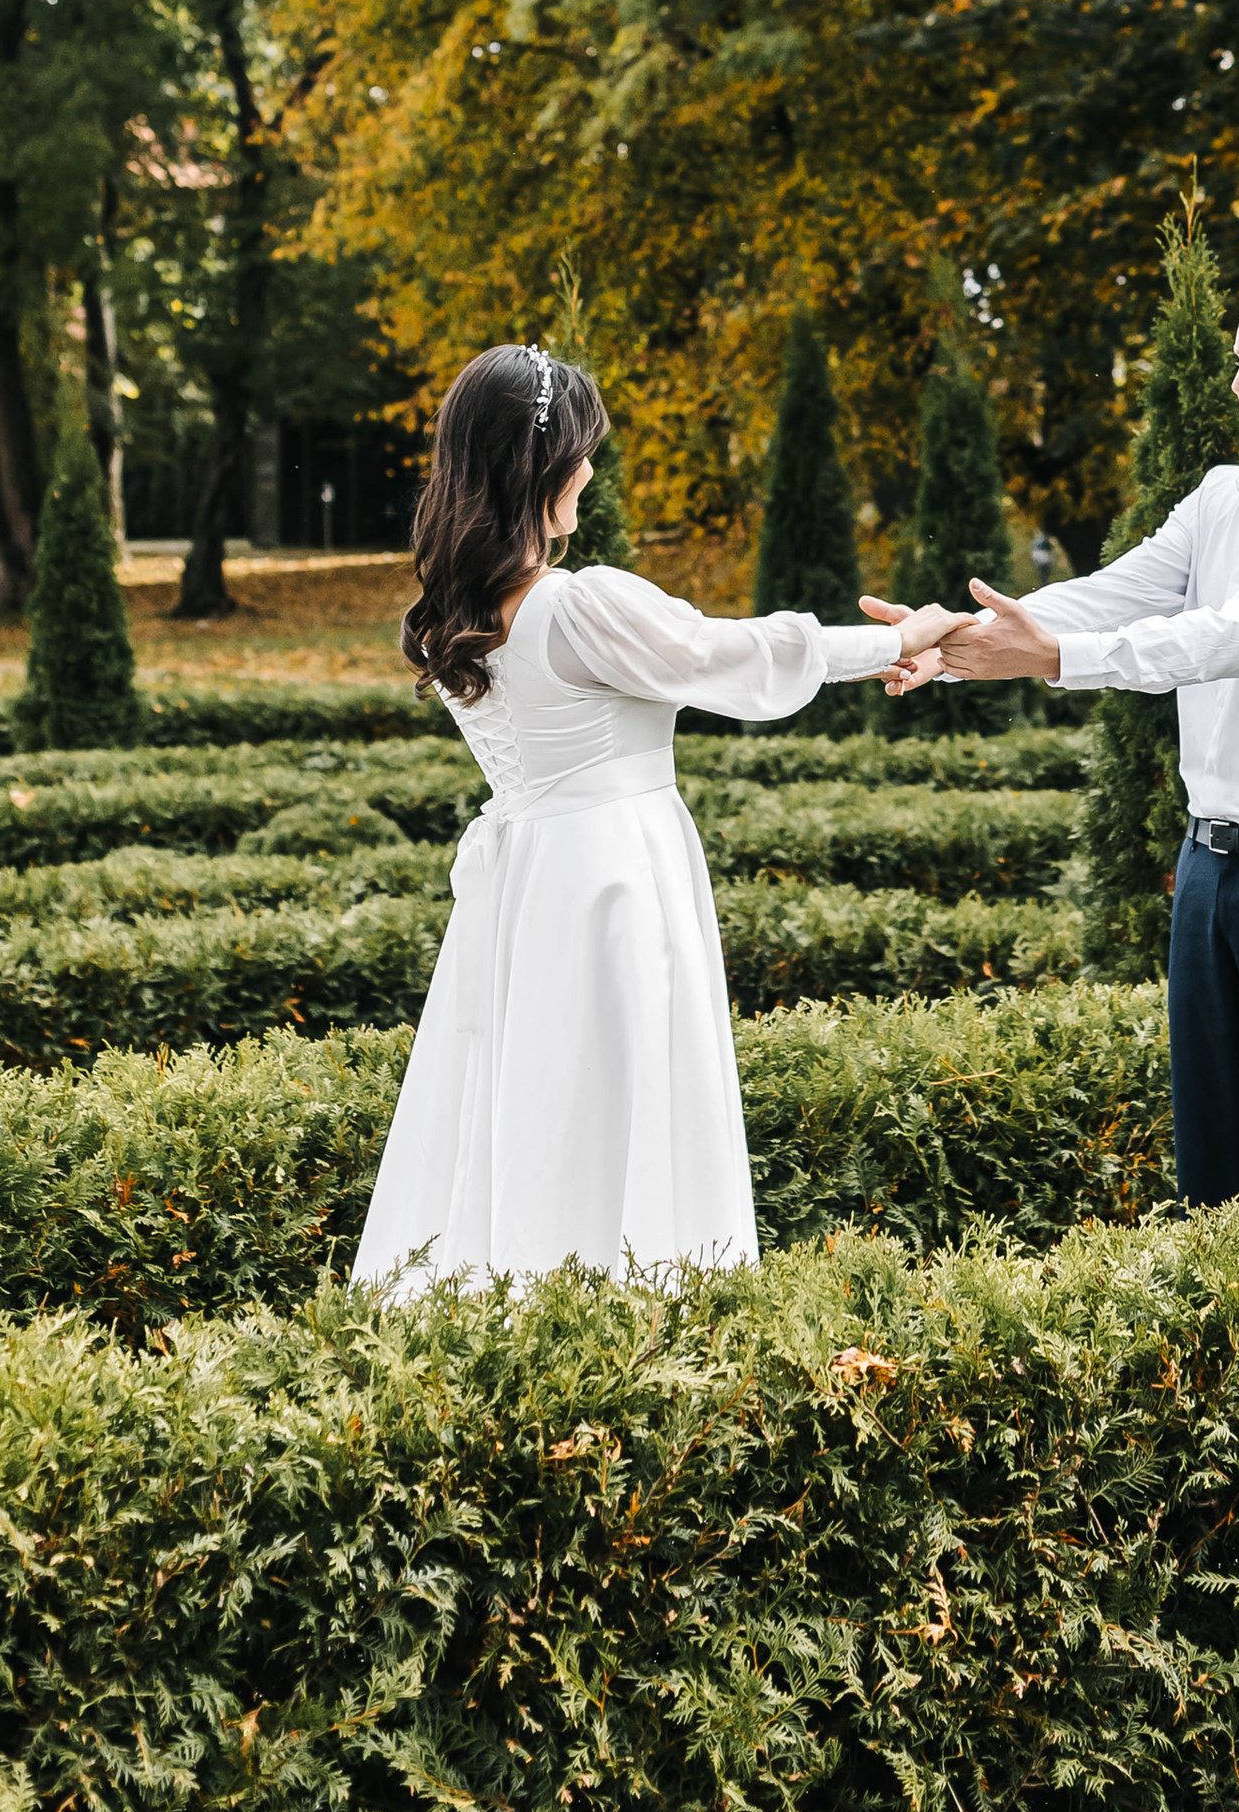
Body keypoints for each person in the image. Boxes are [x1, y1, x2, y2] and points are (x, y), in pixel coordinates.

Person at [352, 344, 957, 1292]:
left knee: (538, 1094)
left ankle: (529, 1296)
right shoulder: (577, 605)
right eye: (584, 450)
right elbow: (730, 658)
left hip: (527, 890)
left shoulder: (453, 614)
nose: (593, 470)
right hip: (612, 879)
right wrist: (894, 639)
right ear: (540, 464)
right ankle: (638, 1300)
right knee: (622, 1089)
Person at [886, 275, 1239, 1207]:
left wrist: (1048, 659)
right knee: (1213, 1171)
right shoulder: (1219, 497)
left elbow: (1227, 637)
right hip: (1209, 871)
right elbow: (1115, 591)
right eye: (1237, 362)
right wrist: (951, 642)